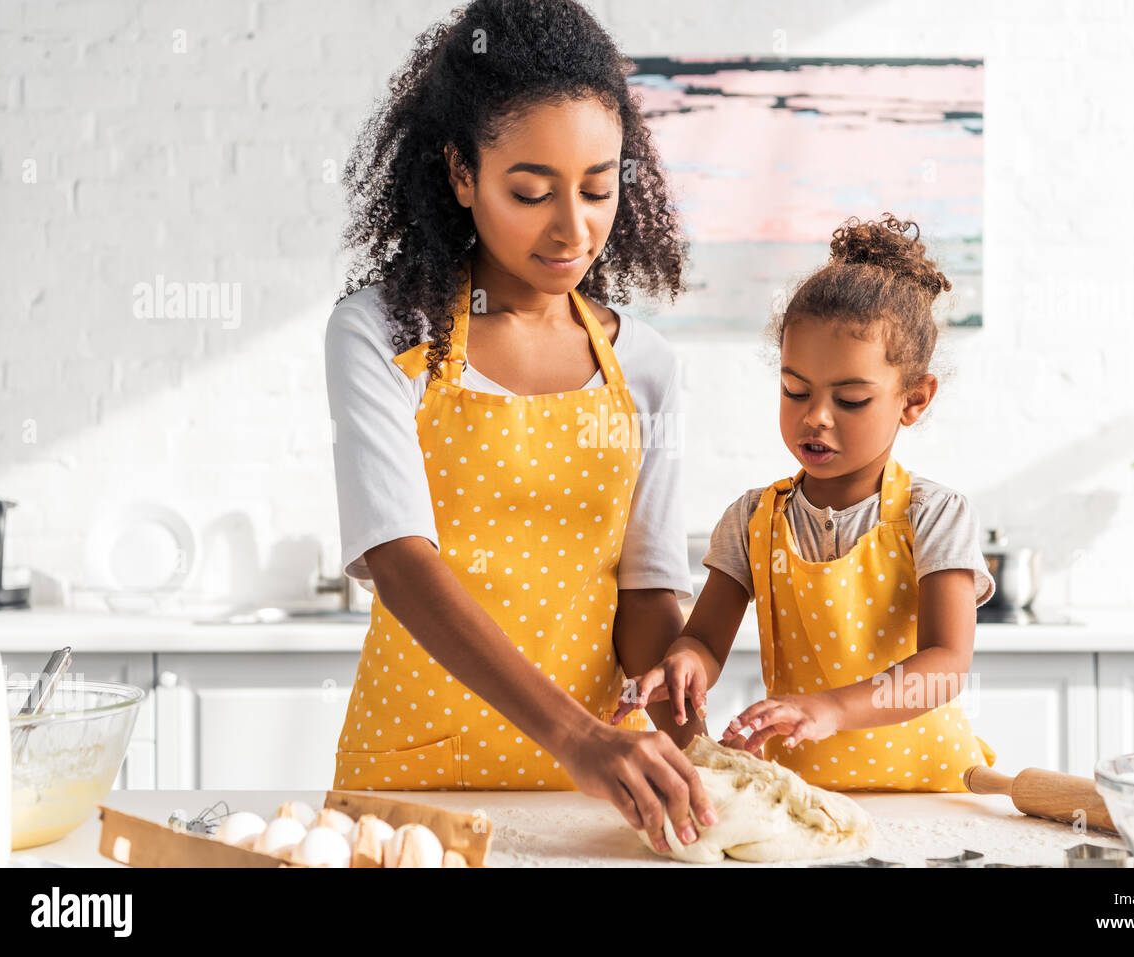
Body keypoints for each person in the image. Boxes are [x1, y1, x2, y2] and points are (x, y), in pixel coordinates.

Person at [325, 0, 715, 852]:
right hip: (413, 789)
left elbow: (648, 590)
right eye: (530, 191)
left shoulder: (644, 365)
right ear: (462, 174)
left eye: (598, 188)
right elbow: (400, 561)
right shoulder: (384, 336)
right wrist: (578, 736)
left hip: (598, 799)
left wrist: (689, 751)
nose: (573, 229)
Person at [614, 214, 998, 791]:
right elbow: (706, 640)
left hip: (932, 794)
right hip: (805, 799)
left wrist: (832, 709)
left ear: (914, 399)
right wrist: (687, 663)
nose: (814, 416)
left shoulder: (935, 515)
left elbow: (944, 668)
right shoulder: (752, 520)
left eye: (850, 399)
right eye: (796, 390)